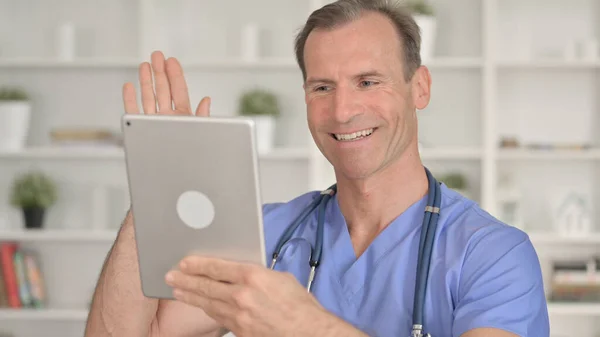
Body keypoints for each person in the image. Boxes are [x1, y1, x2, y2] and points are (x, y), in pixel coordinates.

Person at [84, 0, 550, 336]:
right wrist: (157, 183)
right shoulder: (266, 236)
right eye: (322, 88)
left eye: (368, 82)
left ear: (419, 88)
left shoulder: (493, 256)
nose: (343, 110)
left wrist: (306, 327)